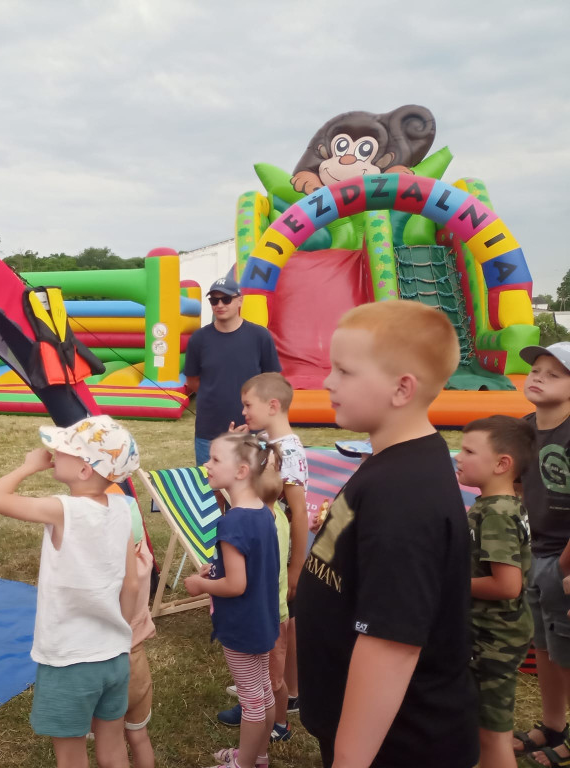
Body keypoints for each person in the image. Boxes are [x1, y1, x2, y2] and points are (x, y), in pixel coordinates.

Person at [294, 300, 478, 768]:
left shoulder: (406, 496)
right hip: (368, 729)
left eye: (344, 371)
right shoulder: (389, 463)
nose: (327, 382)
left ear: (402, 389)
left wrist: (350, 761)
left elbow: (391, 646)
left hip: (398, 744)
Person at [0, 414, 139, 768]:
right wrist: (121, 634)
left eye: (62, 449)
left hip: (69, 659)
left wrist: (26, 467)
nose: (51, 451)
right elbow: (132, 582)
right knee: (113, 747)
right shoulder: (122, 510)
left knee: (71, 756)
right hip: (113, 656)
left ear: (84, 470)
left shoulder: (62, 509)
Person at [217, 373, 306, 743]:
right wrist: (240, 445)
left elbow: (299, 512)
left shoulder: (290, 450)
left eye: (248, 404)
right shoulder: (265, 442)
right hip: (263, 553)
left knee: (274, 638)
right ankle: (265, 698)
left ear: (273, 406)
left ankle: (270, 707)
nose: (243, 410)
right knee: (272, 636)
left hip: (276, 561)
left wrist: (297, 567)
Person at [184, 433, 281, 768]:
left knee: (252, 701)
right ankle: (258, 757)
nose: (206, 465)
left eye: (214, 460)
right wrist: (216, 569)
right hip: (263, 620)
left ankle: (243, 765)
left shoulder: (232, 521)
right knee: (263, 692)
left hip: (241, 627)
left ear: (241, 471)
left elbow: (237, 585)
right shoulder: (263, 512)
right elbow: (253, 567)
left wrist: (201, 584)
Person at [454, 415, 534, 768]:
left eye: (469, 450)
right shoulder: (496, 504)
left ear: (503, 464)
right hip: (490, 634)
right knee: (482, 728)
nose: (458, 456)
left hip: (494, 638)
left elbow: (507, 585)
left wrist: (449, 582)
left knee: (493, 735)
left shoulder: (497, 512)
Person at [512, 341, 570, 768]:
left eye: (553, 374)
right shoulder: (523, 429)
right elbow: (514, 487)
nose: (537, 377)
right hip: (535, 553)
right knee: (547, 649)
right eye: (536, 370)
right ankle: (553, 726)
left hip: (565, 559)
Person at [183, 274, 280, 466]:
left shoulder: (260, 336)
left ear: (239, 300)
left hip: (253, 429)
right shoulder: (199, 339)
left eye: (226, 299)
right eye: (214, 300)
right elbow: (192, 380)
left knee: (253, 487)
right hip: (209, 431)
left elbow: (273, 381)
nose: (219, 305)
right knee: (211, 489)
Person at [122, 489, 157, 768]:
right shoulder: (143, 560)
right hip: (139, 665)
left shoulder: (114, 574)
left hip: (111, 664)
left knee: (110, 741)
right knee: (139, 736)